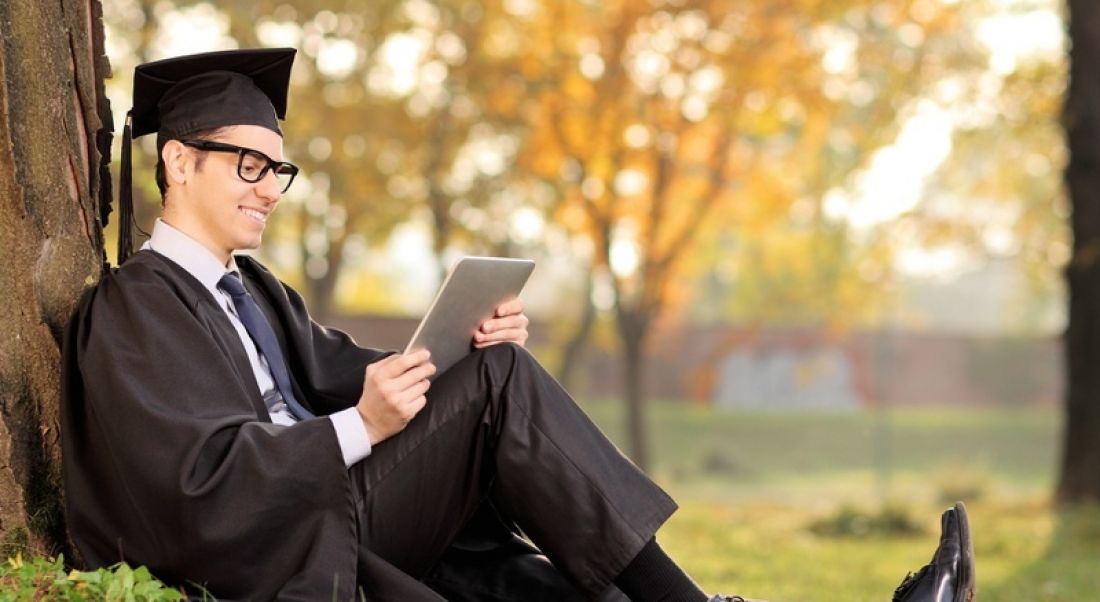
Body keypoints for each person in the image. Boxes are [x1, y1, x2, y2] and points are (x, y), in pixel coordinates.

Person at [61, 48, 976, 602]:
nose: (269, 189)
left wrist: (458, 350)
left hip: (336, 515)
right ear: (178, 161)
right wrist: (362, 427)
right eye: (248, 167)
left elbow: (361, 367)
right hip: (277, 547)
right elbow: (191, 485)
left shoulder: (254, 290)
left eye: (278, 171)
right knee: (500, 399)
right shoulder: (138, 306)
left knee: (536, 573)